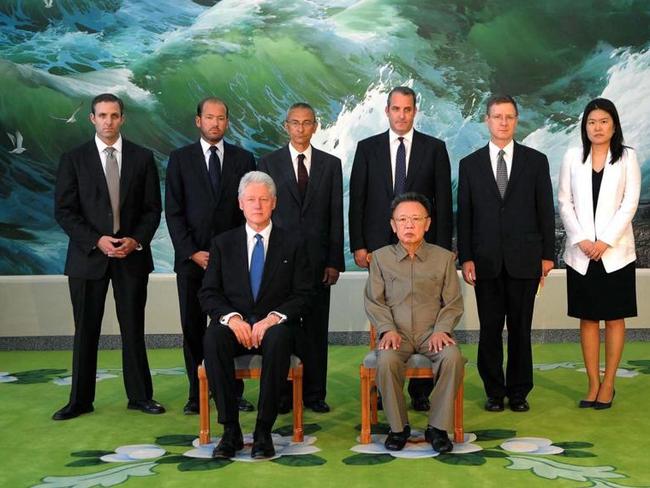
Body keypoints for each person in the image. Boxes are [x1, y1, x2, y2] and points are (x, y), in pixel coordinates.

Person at [53, 93, 164, 420]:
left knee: (133, 328)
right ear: (92, 119)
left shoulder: (143, 158)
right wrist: (95, 240)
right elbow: (64, 211)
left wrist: (136, 240)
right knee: (85, 330)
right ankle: (80, 400)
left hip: (131, 256)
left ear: (123, 118)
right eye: (102, 115)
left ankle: (141, 396)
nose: (108, 121)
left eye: (114, 115)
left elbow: (152, 210)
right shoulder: (73, 159)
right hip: (88, 257)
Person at [349, 86, 453, 410]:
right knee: (385, 314)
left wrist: (443, 251)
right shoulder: (367, 149)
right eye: (396, 109)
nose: (402, 115)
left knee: (423, 313)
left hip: (423, 248)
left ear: (414, 112)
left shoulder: (434, 149)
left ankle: (421, 393)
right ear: (387, 111)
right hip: (378, 248)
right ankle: (384, 387)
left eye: (407, 109)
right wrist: (359, 245)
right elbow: (358, 199)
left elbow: (443, 204)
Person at [199, 171, 312, 459]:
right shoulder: (223, 243)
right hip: (236, 326)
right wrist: (232, 319)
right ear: (240, 203)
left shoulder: (294, 242)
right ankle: (230, 430)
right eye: (251, 199)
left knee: (278, 339)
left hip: (273, 327)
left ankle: (263, 430)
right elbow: (208, 293)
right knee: (213, 337)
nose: (258, 205)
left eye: (264, 199)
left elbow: (304, 294)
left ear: (274, 203)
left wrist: (273, 318)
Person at [457, 95, 555, 413]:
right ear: (487, 120)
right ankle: (494, 392)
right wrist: (466, 257)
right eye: (497, 116)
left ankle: (518, 392)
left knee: (520, 329)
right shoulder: (469, 164)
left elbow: (545, 212)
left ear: (517, 120)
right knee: (489, 330)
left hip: (524, 259)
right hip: (485, 261)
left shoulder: (536, 161)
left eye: (509, 117)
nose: (503, 122)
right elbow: (465, 217)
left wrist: (547, 255)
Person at [165, 97, 256, 415]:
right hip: (191, 261)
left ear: (227, 122)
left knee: (232, 326)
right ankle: (196, 392)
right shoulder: (179, 159)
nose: (215, 123)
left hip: (231, 264)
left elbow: (250, 213)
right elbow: (173, 212)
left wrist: (227, 256)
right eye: (209, 117)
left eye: (221, 118)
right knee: (192, 327)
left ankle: (233, 391)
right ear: (198, 121)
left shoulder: (244, 159)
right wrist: (191, 252)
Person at [258, 102, 344, 413]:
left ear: (315, 127)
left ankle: (314, 395)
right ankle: (281, 395)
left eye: (307, 123)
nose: (300, 129)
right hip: (281, 263)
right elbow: (263, 215)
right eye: (295, 123)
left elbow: (336, 216)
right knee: (281, 330)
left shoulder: (331, 165)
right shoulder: (268, 163)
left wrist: (334, 261)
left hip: (320, 262)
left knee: (317, 329)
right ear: (286, 126)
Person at [364, 192, 464, 453]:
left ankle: (438, 428)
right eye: (403, 219)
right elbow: (374, 301)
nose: (409, 225)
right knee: (386, 360)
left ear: (427, 223)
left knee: (452, 357)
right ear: (393, 225)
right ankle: (398, 428)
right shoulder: (380, 259)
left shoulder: (444, 258)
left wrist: (442, 330)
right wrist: (387, 330)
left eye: (416, 219)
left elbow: (453, 302)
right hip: (397, 334)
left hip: (432, 334)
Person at [558, 98, 640, 410]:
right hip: (581, 253)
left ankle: (609, 383)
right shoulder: (571, 157)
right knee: (588, 318)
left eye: (604, 121)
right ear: (585, 126)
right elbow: (565, 202)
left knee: (614, 317)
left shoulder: (627, 157)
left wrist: (605, 241)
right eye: (592, 122)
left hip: (615, 252)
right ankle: (592, 383)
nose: (597, 127)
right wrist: (581, 239)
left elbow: (630, 202)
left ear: (614, 125)